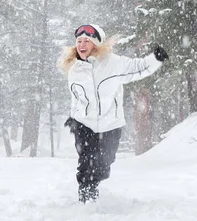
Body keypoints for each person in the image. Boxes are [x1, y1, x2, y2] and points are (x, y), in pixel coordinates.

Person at [59, 24, 169, 203]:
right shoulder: (75, 70)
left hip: (110, 124)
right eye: (79, 41)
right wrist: (74, 117)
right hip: (84, 124)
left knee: (104, 162)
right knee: (86, 162)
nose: (82, 44)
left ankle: (95, 182)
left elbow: (138, 67)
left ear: (97, 44)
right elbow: (77, 99)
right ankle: (87, 198)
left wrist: (155, 59)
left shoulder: (113, 63)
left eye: (87, 40)